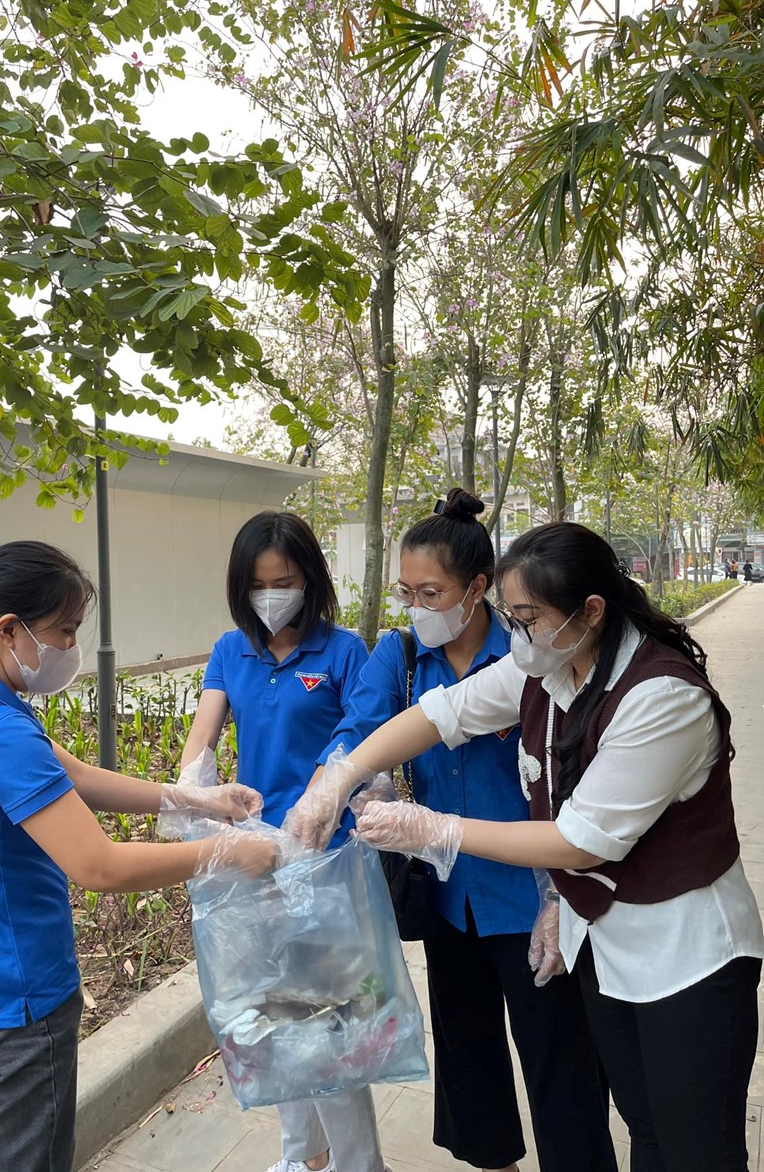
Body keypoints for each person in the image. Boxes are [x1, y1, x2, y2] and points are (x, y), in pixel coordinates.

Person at [294, 522, 764, 1172]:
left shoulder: (661, 696)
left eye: (528, 618)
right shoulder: (547, 666)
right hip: (606, 946)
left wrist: (435, 829)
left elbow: (581, 840)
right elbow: (441, 713)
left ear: (590, 611)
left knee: (696, 1149)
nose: (515, 635)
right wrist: (339, 776)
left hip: (687, 959)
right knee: (648, 1131)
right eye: (511, 618)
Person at [0, 541, 275, 1172]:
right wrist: (227, 852)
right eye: (65, 631)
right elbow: (99, 867)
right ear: (9, 629)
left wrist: (196, 798)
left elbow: (73, 776)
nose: (72, 647)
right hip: (9, 1006)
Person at [292, 492, 617, 1172]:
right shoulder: (403, 654)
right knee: (469, 1064)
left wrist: (561, 894)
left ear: (477, 589)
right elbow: (360, 727)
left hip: (533, 896)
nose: (417, 606)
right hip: (449, 896)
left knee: (561, 1062)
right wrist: (337, 783)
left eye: (431, 592)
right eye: (406, 592)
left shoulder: (532, 652)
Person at [180, 511, 388, 1172]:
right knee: (276, 1017)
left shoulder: (343, 651)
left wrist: (319, 801)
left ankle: (360, 1165)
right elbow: (203, 738)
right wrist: (190, 794)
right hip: (256, 859)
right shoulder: (230, 650)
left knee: (330, 1022)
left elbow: (359, 736)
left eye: (286, 582)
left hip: (324, 860)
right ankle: (304, 1157)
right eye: (259, 584)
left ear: (311, 581)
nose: (272, 596)